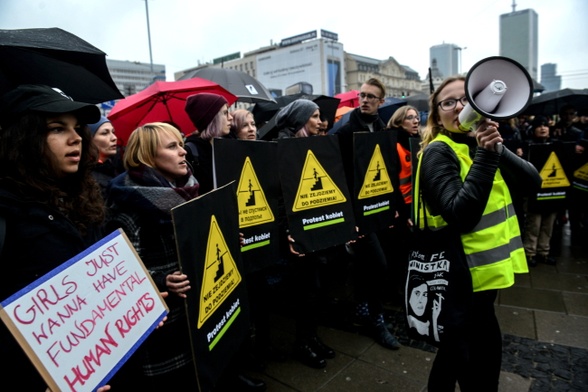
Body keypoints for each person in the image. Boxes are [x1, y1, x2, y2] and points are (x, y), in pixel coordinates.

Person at [416, 75, 541, 391]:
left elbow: (533, 183)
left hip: (482, 283)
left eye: (466, 100)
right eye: (448, 102)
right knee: (479, 370)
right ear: (437, 116)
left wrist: (494, 147)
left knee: (453, 358)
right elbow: (461, 216)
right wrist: (487, 155)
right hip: (458, 282)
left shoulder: (478, 145)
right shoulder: (438, 153)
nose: (459, 107)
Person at [0, 84, 108, 391]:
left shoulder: (86, 197)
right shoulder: (7, 212)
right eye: (57, 129)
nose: (75, 138)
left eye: (77, 128)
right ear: (23, 139)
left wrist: (141, 301)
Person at [105, 122, 199, 390]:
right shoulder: (129, 207)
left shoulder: (186, 190)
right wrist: (160, 280)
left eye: (182, 144)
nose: (183, 152)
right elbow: (119, 277)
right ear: (147, 156)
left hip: (193, 315)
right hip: (161, 327)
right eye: (172, 146)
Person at [333, 78, 402, 350]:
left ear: (381, 101)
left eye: (371, 96)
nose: (365, 100)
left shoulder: (384, 130)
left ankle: (362, 308)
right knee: (379, 264)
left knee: (366, 265)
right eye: (362, 95)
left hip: (381, 211)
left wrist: (393, 205)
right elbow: (338, 175)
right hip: (358, 215)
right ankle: (376, 318)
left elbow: (388, 172)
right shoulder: (346, 131)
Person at [275, 99, 337, 369]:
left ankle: (311, 337)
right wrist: (287, 231)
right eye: (314, 116)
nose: (319, 121)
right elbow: (279, 197)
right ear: (300, 120)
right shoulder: (282, 149)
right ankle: (302, 343)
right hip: (295, 239)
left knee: (315, 289)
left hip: (312, 233)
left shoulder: (309, 145)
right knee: (305, 292)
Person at [521, 116, 558, 266]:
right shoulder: (528, 146)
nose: (543, 128)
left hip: (552, 193)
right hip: (534, 194)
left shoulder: (556, 145)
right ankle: (530, 253)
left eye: (545, 125)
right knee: (533, 224)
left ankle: (544, 252)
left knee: (548, 225)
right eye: (539, 126)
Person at [183, 92, 233, 194]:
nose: (230, 117)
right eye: (225, 113)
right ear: (212, 118)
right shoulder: (190, 151)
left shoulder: (228, 146)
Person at [88, 115, 123, 198]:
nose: (114, 138)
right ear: (89, 139)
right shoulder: (86, 178)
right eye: (104, 133)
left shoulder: (118, 167)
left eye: (113, 132)